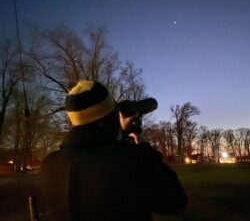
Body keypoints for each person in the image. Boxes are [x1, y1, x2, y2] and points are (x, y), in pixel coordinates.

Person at [40, 80, 187, 221]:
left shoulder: (50, 164)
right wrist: (142, 145)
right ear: (111, 116)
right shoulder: (132, 159)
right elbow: (174, 201)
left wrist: (118, 134)